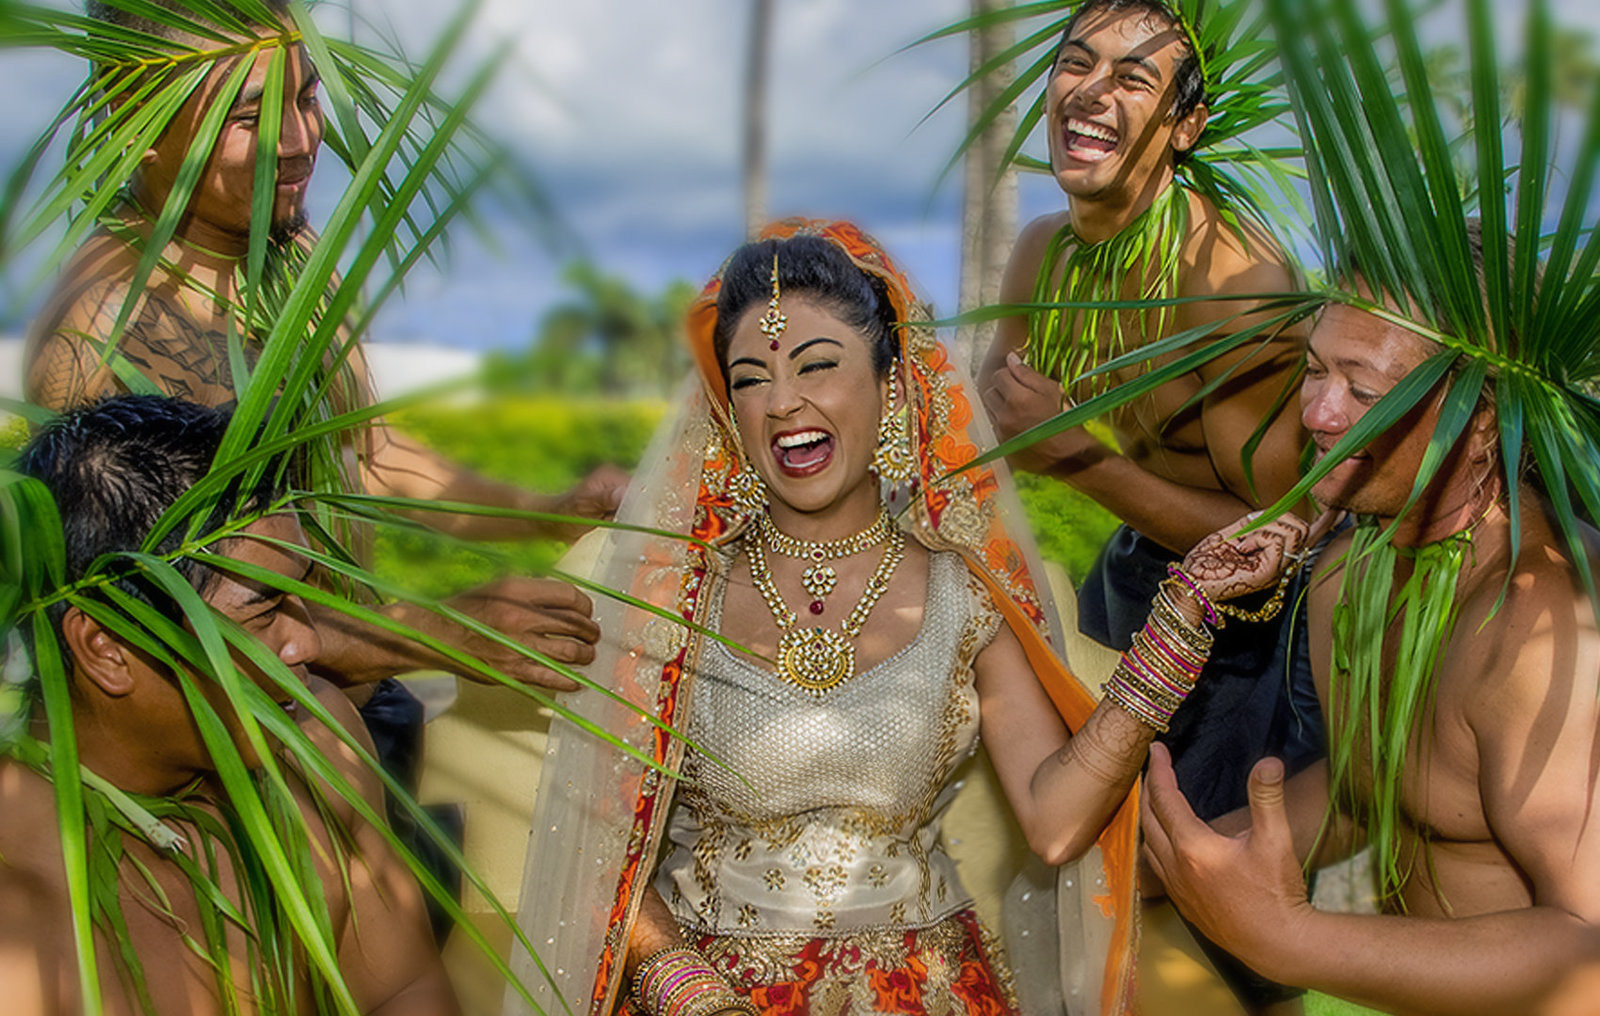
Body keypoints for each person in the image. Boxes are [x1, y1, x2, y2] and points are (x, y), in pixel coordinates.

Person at [502, 220, 1308, 1016]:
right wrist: (689, 990)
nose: (785, 402)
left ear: (892, 388)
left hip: (924, 990)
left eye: (817, 365)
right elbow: (596, 842)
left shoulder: (960, 589)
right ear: (726, 410)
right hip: (704, 990)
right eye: (750, 379)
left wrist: (1179, 620)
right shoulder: (675, 589)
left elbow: (1057, 826)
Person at [23, 0, 624, 699]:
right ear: (137, 120)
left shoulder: (285, 251)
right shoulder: (101, 343)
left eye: (307, 95)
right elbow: (185, 624)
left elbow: (367, 456)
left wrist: (553, 507)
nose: (300, 139)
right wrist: (441, 630)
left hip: (356, 694)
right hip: (246, 765)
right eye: (249, 119)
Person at [973, 2, 1320, 1009]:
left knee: (1206, 897)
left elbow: (1277, 540)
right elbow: (981, 427)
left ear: (1185, 125)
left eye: (1133, 79)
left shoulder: (1230, 287)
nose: (1091, 90)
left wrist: (1079, 458)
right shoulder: (1045, 250)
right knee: (1078, 864)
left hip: (1258, 625)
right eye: (1076, 64)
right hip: (1133, 571)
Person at [1141, 260, 1600, 1014]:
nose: (1319, 413)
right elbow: (1367, 794)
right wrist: (1167, 861)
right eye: (1315, 370)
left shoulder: (1541, 632)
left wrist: (1288, 939)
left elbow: (1590, 952)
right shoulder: (1346, 572)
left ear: (1481, 421)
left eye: (1365, 391)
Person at [0, 394, 459, 1015]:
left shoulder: (317, 744)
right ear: (106, 647)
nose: (309, 642)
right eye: (264, 611)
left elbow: (403, 990)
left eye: (300, 596)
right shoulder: (18, 900)